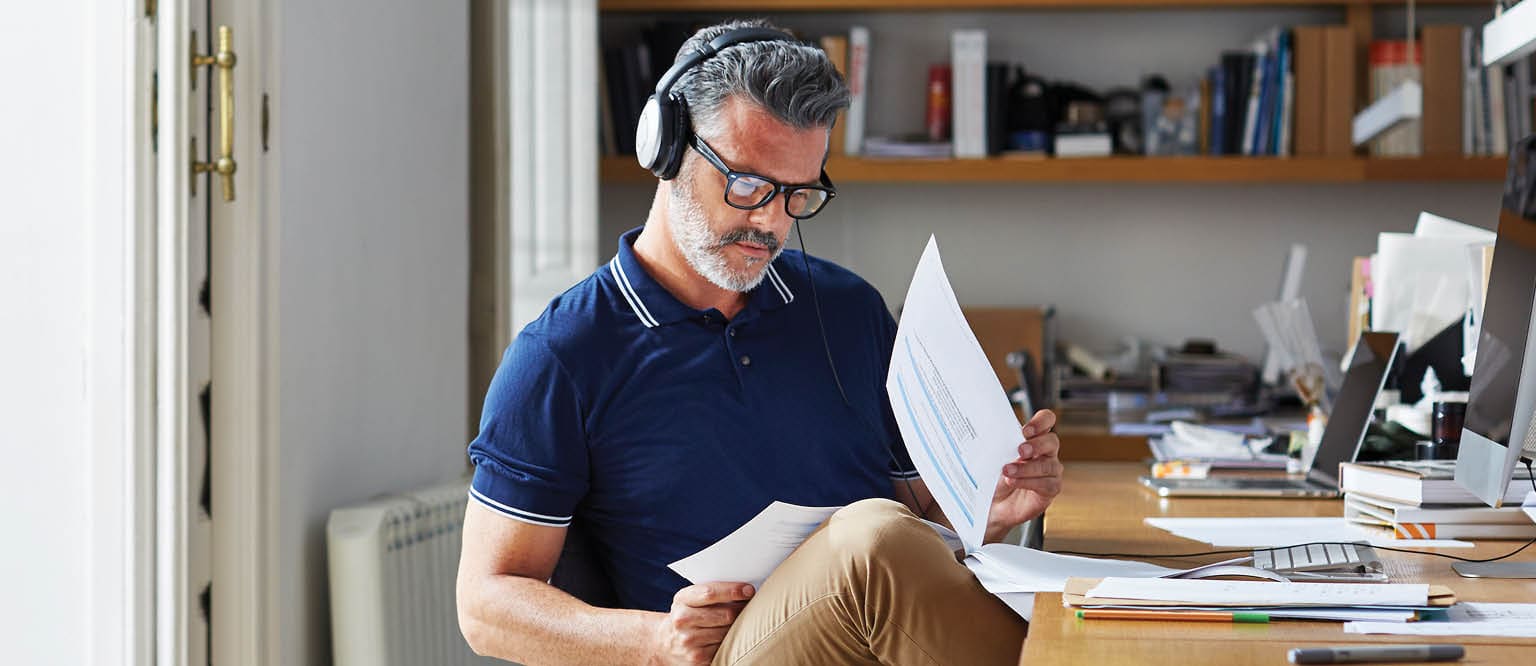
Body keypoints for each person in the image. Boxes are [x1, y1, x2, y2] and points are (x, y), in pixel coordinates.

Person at [456, 19, 1063, 666]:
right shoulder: (562, 357)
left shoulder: (849, 311)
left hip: (873, 643)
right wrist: (652, 641)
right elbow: (486, 605)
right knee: (869, 539)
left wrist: (985, 509)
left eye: (799, 193)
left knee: (1067, 603)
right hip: (717, 654)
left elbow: (922, 523)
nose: (771, 222)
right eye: (748, 185)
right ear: (668, 150)